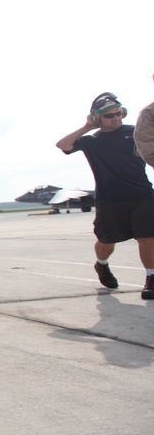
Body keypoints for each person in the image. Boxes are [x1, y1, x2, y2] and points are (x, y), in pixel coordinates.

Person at [55, 92, 154, 299]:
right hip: (110, 200)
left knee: (148, 238)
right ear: (97, 118)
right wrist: (87, 127)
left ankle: (151, 280)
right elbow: (62, 145)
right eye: (109, 115)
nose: (116, 118)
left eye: (119, 113)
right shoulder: (91, 141)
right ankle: (102, 265)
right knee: (106, 240)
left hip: (142, 194)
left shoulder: (135, 132)